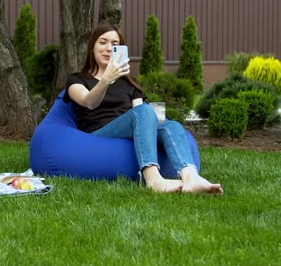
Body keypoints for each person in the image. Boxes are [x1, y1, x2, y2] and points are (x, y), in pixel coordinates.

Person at [64, 24, 223, 194]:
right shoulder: (77, 79)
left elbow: (142, 117)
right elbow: (89, 102)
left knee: (172, 126)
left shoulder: (129, 83)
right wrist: (106, 79)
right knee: (144, 111)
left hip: (128, 130)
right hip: (98, 133)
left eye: (115, 44)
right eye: (103, 42)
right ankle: (153, 179)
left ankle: (191, 177)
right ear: (92, 47)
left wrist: (157, 121)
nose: (109, 48)